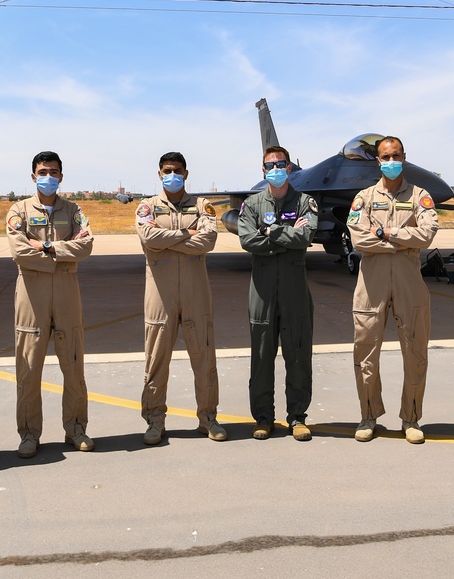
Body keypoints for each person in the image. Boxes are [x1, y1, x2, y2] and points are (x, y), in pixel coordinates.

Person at [346, 136, 438, 443]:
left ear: (404, 157)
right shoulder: (364, 198)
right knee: (365, 353)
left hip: (409, 282)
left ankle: (410, 418)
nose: (391, 162)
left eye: (396, 156)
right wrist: (400, 242)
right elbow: (359, 239)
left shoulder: (420, 196)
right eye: (386, 157)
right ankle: (368, 415)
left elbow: (427, 235)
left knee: (415, 353)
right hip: (371, 283)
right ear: (378, 161)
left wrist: (387, 233)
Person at [7, 151, 95, 457]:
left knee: (73, 364)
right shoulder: (18, 211)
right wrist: (61, 255)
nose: (48, 177)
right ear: (33, 177)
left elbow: (85, 246)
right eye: (42, 172)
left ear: (61, 176)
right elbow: (19, 252)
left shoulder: (73, 210)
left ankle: (76, 429)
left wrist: (45, 247)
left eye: (53, 172)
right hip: (32, 294)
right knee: (29, 367)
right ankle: (29, 434)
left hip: (67, 293)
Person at [135, 152, 225, 445]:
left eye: (176, 170)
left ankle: (208, 418)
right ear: (159, 173)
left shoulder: (202, 206)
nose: (171, 174)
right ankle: (154, 420)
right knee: (156, 358)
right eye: (166, 170)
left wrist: (168, 240)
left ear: (186, 173)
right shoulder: (147, 206)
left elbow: (208, 241)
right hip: (160, 295)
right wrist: (187, 233)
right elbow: (149, 238)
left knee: (204, 356)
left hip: (195, 292)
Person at [238, 145, 318, 441]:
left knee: (298, 355)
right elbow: (247, 239)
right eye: (269, 165)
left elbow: (308, 234)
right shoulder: (253, 204)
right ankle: (263, 418)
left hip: (295, 290)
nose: (275, 169)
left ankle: (297, 417)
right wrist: (287, 235)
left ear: (289, 167)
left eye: (280, 163)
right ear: (263, 170)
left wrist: (270, 233)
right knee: (261, 356)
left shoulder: (305, 202)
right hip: (262, 292)